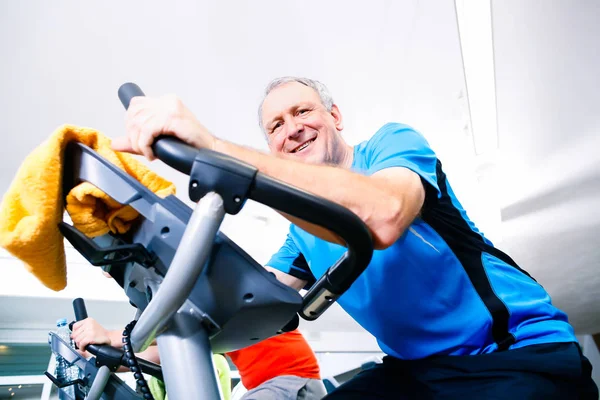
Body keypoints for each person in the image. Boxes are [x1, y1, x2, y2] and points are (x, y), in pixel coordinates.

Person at [111, 76, 598, 399]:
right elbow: (242, 303)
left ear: (335, 116)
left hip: (515, 354)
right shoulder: (300, 233)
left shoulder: (391, 146)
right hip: (419, 371)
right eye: (276, 126)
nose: (293, 130)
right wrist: (127, 336)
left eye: (303, 111)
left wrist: (217, 151)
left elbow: (383, 215)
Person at [71, 317, 326, 400]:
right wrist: (105, 357)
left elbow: (183, 326)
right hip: (271, 386)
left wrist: (112, 335)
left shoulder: (220, 294)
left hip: (293, 382)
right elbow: (158, 354)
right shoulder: (210, 326)